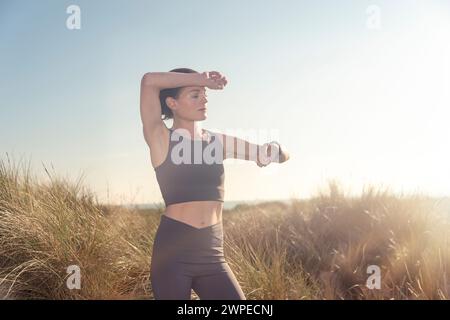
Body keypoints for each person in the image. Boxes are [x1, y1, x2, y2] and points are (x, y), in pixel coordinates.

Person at [140, 68, 290, 300]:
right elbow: (149, 81)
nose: (204, 99)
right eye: (195, 94)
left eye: (205, 94)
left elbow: (267, 153)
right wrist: (202, 79)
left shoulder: (217, 142)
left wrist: (274, 150)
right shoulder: (161, 138)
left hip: (212, 252)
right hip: (173, 253)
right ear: (172, 103)